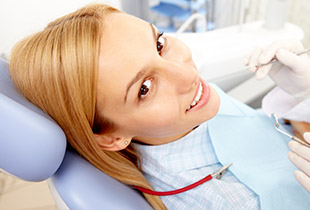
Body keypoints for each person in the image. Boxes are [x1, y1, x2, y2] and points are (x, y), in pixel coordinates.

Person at [8, 4, 310, 209]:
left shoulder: (182, 116)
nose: (188, 74)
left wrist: (302, 96)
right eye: (144, 89)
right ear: (112, 136)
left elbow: (269, 128)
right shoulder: (229, 199)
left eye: (159, 44)